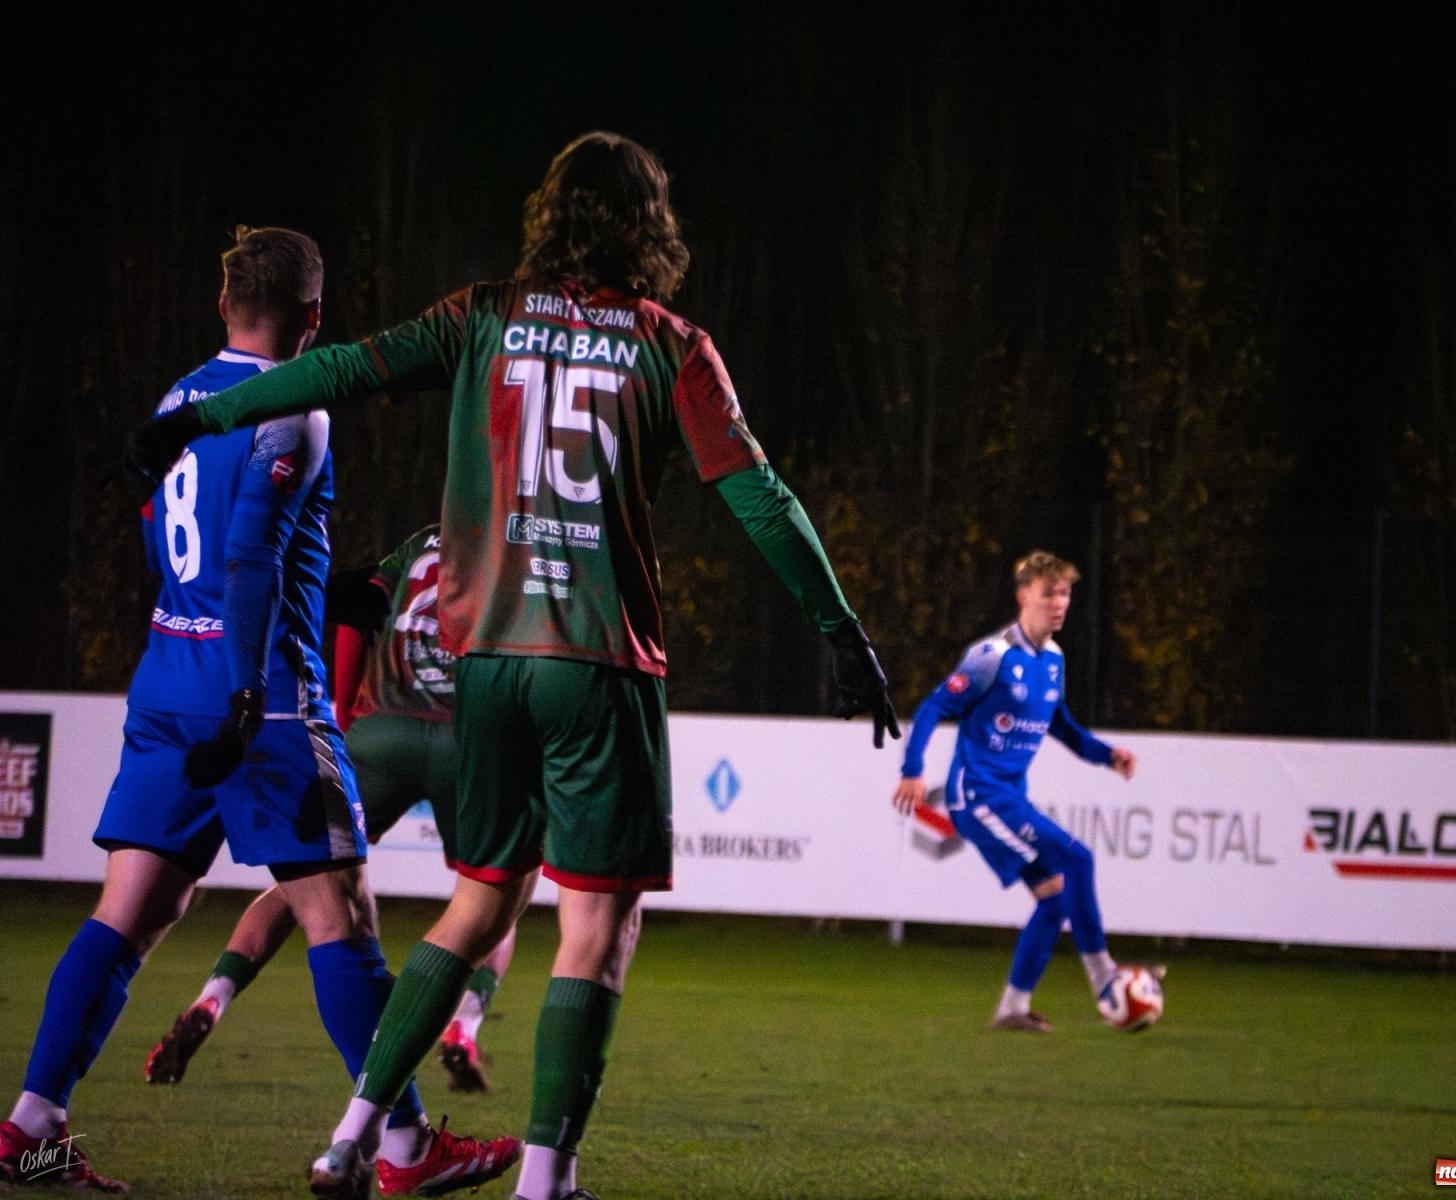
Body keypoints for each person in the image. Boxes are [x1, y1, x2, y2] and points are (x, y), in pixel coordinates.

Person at [121, 132, 900, 1200]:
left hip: (484, 663)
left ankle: (351, 1137)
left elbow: (344, 368)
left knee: (480, 898)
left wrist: (198, 417)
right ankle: (544, 1179)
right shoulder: (672, 344)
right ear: (648, 225)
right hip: (596, 664)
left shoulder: (481, 315)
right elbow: (760, 498)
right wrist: (841, 629)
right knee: (598, 922)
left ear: (549, 216)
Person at [0, 227, 518, 1196]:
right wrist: (249, 687)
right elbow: (248, 558)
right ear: (316, 316)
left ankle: (32, 1123)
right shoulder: (299, 408)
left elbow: (175, 541)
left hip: (166, 675)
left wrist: (298, 607)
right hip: (263, 698)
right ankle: (403, 1150)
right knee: (341, 915)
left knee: (134, 906)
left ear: (221, 305)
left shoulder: (173, 399)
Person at [144, 522, 520, 1094]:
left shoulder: (416, 542)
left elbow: (351, 607)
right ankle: (462, 1026)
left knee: (305, 886)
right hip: (463, 740)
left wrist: (343, 721)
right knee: (494, 895)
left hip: (382, 733)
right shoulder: (516, 542)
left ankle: (213, 996)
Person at [892, 550, 1147, 1033]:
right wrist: (913, 768)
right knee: (1079, 859)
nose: (1059, 603)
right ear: (1023, 597)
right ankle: (1105, 979)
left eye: (1066, 594)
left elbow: (1064, 728)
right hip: (978, 797)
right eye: (1049, 593)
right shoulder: (992, 657)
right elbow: (932, 705)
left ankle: (1012, 1008)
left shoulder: (1053, 660)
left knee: (1054, 900)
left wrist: (1108, 755)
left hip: (1010, 797)